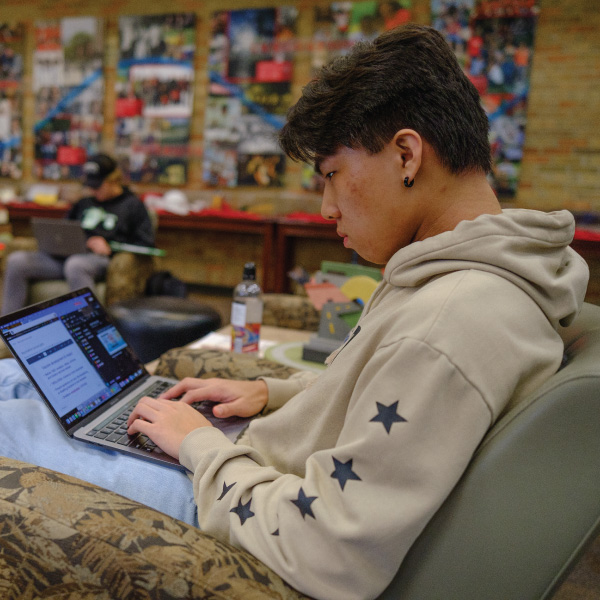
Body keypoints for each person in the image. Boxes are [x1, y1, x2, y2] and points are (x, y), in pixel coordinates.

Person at [0, 25, 589, 600]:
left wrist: (199, 447)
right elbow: (378, 395)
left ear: (407, 155)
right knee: (19, 380)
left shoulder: (449, 321)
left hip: (229, 504)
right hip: (251, 469)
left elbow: (333, 551)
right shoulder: (477, 280)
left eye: (331, 174)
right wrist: (272, 392)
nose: (328, 206)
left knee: (14, 420)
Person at [1, 153, 155, 315]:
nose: (92, 191)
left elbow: (146, 244)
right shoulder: (84, 203)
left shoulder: (133, 205)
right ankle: (8, 332)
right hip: (65, 258)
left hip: (98, 261)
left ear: (113, 180)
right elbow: (64, 230)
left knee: (75, 264)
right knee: (17, 261)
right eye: (90, 186)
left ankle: (95, 326)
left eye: (97, 186)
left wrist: (110, 246)